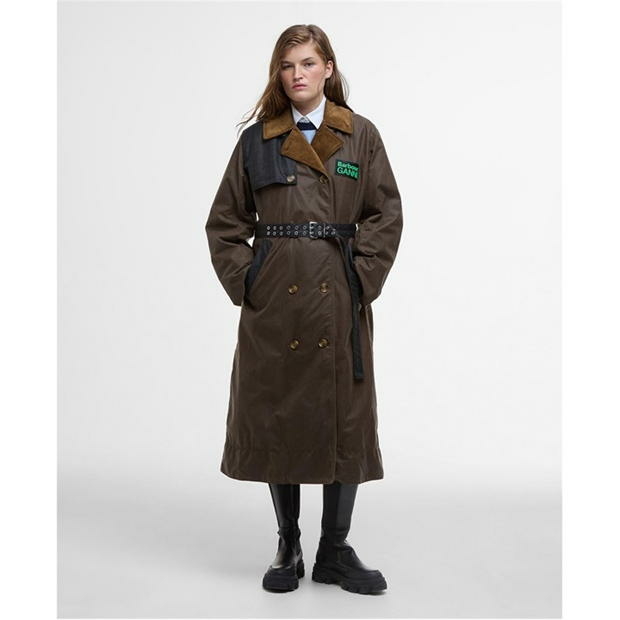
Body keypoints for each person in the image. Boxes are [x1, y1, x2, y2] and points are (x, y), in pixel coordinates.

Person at [205, 24, 403, 594]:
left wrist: (361, 278)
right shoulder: (257, 141)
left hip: (337, 298)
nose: (298, 74)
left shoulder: (360, 135)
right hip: (278, 304)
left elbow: (385, 214)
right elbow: (224, 223)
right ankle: (288, 544)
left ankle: (335, 549)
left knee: (345, 417)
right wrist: (251, 282)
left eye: (309, 63)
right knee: (281, 414)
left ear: (328, 69)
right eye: (288, 65)